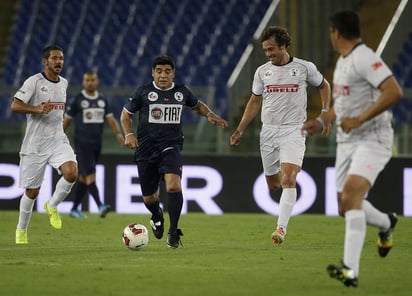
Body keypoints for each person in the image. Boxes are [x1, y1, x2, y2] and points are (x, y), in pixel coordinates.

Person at [302, 11, 403, 287]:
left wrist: (360, 119)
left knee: (351, 195)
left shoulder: (364, 57)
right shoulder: (344, 62)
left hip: (372, 139)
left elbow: (394, 92)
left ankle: (351, 270)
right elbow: (344, 104)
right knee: (344, 206)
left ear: (336, 32)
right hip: (347, 143)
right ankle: (386, 223)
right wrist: (323, 120)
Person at [230, 26, 331, 246]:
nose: (269, 54)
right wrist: (240, 128)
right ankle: (280, 202)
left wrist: (324, 113)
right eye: (266, 50)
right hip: (268, 131)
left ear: (283, 45)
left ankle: (281, 229)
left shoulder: (304, 68)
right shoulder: (262, 72)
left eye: (272, 49)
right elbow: (255, 101)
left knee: (288, 179)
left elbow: (324, 86)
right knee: (274, 185)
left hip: (294, 130)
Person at [120, 55, 228, 248]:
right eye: (159, 71)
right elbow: (125, 115)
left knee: (173, 186)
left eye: (167, 71)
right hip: (145, 150)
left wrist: (210, 114)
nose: (163, 75)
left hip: (171, 147)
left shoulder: (181, 92)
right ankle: (157, 215)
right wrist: (128, 134)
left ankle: (173, 231)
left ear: (173, 73)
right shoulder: (143, 92)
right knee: (149, 198)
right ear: (153, 73)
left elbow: (198, 105)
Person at [11, 45, 78, 244]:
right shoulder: (34, 82)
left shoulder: (64, 83)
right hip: (35, 144)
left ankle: (52, 205)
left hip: (57, 140)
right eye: (55, 58)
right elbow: (15, 105)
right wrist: (37, 109)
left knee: (72, 172)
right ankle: (21, 231)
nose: (59, 62)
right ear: (45, 61)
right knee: (32, 192)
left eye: (61, 59)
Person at [63, 71, 124, 219]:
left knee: (84, 178)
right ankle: (100, 205)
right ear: (84, 82)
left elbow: (110, 119)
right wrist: (58, 137)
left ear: (97, 82)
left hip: (96, 144)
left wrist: (118, 133)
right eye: (87, 80)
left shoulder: (103, 100)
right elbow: (67, 120)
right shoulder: (78, 100)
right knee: (90, 175)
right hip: (82, 143)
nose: (90, 82)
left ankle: (74, 209)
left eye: (93, 80)